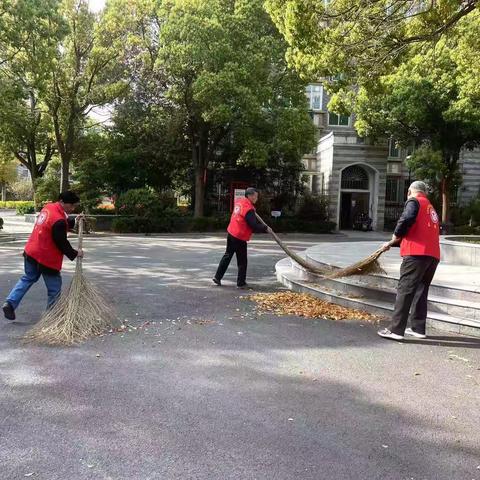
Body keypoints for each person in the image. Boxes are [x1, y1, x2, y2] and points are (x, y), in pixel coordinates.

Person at [2, 191, 84, 321]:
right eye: (71, 206)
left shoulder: (48, 208)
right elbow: (61, 241)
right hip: (46, 258)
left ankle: (10, 303)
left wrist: (74, 220)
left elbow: (57, 224)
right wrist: (75, 253)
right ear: (62, 202)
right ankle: (51, 318)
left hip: (31, 251)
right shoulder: (59, 219)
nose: (73, 208)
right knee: (54, 289)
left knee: (28, 278)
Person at [377, 181, 440, 341]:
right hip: (432, 256)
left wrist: (394, 237)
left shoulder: (414, 201)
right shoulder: (429, 207)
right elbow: (418, 230)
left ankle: (396, 330)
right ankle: (418, 328)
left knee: (405, 289)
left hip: (416, 254)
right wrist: (394, 243)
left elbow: (406, 220)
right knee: (420, 290)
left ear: (409, 192)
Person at [213, 187, 272, 288]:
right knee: (242, 260)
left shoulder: (240, 202)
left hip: (231, 232)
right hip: (239, 236)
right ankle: (241, 283)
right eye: (255, 196)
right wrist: (265, 228)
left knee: (227, 255)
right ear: (250, 196)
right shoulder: (248, 208)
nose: (256, 198)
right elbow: (253, 225)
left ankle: (217, 277)